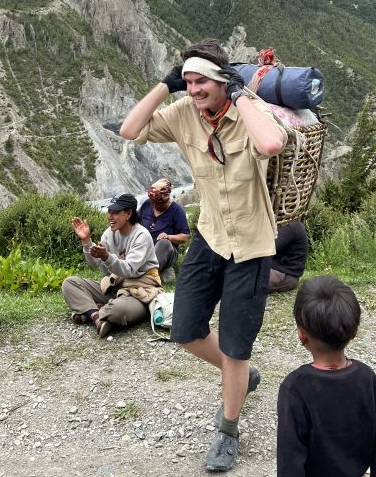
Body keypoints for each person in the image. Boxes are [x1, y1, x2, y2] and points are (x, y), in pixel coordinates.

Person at [120, 38, 287, 472]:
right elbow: (129, 130)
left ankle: (228, 429)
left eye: (201, 82)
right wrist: (166, 85)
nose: (193, 90)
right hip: (210, 236)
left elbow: (270, 145)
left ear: (221, 81)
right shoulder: (183, 114)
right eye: (188, 81)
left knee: (234, 344)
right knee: (186, 328)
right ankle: (243, 376)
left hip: (251, 245)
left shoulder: (250, 113)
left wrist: (239, 95)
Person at [277, 275, 376, 477]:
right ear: (353, 333)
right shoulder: (367, 379)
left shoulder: (295, 388)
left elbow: (289, 459)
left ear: (301, 335)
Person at [61, 193, 162, 339]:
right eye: (109, 211)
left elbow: (128, 269)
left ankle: (91, 311)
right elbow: (95, 264)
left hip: (140, 292)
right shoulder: (109, 234)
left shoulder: (142, 236)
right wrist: (86, 241)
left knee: (118, 310)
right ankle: (96, 316)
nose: (110, 216)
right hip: (116, 287)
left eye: (115, 212)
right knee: (69, 283)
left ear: (128, 213)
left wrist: (107, 257)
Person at [138, 177, 190, 283]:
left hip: (166, 251)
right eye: (154, 204)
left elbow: (185, 236)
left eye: (160, 203)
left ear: (167, 199)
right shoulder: (146, 205)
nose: (156, 206)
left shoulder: (177, 210)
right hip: (145, 248)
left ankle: (147, 275)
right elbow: (134, 224)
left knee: (164, 243)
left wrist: (169, 237)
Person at [268, 219, 308, 293]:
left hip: (284, 275)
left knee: (247, 280)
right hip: (285, 275)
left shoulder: (292, 227)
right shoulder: (294, 225)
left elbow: (269, 248)